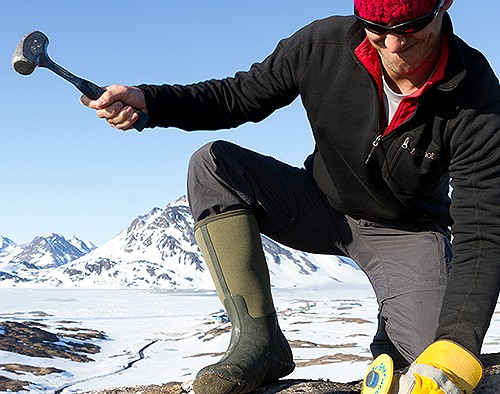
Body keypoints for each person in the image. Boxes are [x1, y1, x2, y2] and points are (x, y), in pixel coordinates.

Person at [81, 0, 500, 393]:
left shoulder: (477, 97)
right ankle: (261, 342)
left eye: (409, 27)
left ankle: (390, 335)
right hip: (318, 204)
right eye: (378, 28)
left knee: (434, 358)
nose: (393, 44)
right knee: (213, 166)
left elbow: (481, 232)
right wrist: (151, 101)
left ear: (443, 5)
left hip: (405, 232)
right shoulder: (322, 46)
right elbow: (237, 96)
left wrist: (456, 345)